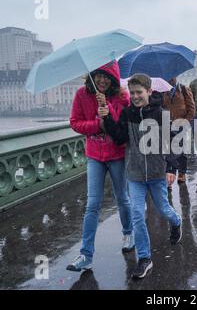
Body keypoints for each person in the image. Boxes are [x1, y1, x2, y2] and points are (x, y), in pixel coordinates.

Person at [102, 74, 182, 279]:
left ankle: (176, 222)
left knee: (165, 209)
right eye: (133, 93)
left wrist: (171, 168)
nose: (136, 96)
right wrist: (107, 118)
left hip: (156, 172)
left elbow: (172, 142)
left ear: (149, 92)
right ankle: (145, 259)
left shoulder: (160, 113)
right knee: (137, 214)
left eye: (139, 92)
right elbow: (120, 138)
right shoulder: (128, 113)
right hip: (135, 173)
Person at [67, 61, 133, 272]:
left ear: (113, 79)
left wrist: (108, 107)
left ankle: (128, 233)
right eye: (99, 76)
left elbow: (123, 126)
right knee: (92, 204)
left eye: (107, 77)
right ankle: (86, 254)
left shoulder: (122, 97)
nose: (102, 80)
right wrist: (97, 124)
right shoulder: (81, 94)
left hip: (116, 154)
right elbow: (75, 122)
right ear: (92, 76)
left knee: (122, 198)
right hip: (94, 155)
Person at [162, 77, 196, 184]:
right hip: (167, 124)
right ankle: (170, 174)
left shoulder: (184, 89)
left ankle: (182, 172)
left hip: (181, 124)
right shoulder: (163, 90)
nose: (170, 79)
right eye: (169, 76)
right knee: (168, 150)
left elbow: (191, 108)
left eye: (172, 76)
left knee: (181, 150)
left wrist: (186, 121)